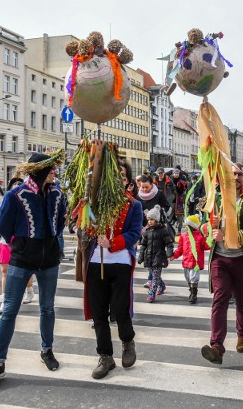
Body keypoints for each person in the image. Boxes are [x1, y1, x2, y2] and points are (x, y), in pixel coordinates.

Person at [0, 152, 66, 383]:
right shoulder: (16, 195)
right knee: (9, 311)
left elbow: (60, 221)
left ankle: (46, 350)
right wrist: (23, 244)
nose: (55, 172)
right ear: (40, 171)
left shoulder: (58, 193)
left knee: (47, 308)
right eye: (51, 169)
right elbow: (4, 226)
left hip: (49, 261)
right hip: (22, 260)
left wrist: (51, 243)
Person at [83, 159, 143, 379]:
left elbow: (134, 234)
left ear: (127, 182)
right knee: (98, 312)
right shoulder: (94, 202)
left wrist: (112, 242)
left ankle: (127, 341)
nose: (119, 179)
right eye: (114, 175)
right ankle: (105, 356)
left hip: (120, 262)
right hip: (96, 263)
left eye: (123, 176)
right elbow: (80, 225)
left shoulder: (134, 205)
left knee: (119, 308)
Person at [200, 162, 243, 365]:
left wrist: (226, 236)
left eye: (239, 174)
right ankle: (216, 346)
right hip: (220, 259)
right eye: (231, 173)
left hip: (242, 258)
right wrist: (209, 228)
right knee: (220, 298)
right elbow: (203, 225)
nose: (235, 177)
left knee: (242, 300)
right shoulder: (215, 198)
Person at [137, 205, 175, 302]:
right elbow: (143, 245)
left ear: (157, 220)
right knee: (155, 275)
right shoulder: (147, 231)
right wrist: (141, 256)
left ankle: (151, 294)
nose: (150, 221)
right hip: (149, 257)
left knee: (155, 276)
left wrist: (169, 253)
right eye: (149, 219)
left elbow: (169, 243)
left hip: (159, 257)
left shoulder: (163, 230)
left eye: (152, 219)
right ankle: (162, 285)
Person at [170, 214, 210, 303]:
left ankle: (193, 294)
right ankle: (191, 289)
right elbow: (180, 248)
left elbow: (206, 246)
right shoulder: (184, 236)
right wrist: (174, 255)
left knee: (193, 278)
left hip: (195, 263)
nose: (185, 227)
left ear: (192, 226)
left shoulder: (200, 237)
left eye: (187, 226)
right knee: (188, 277)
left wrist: (211, 241)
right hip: (186, 262)